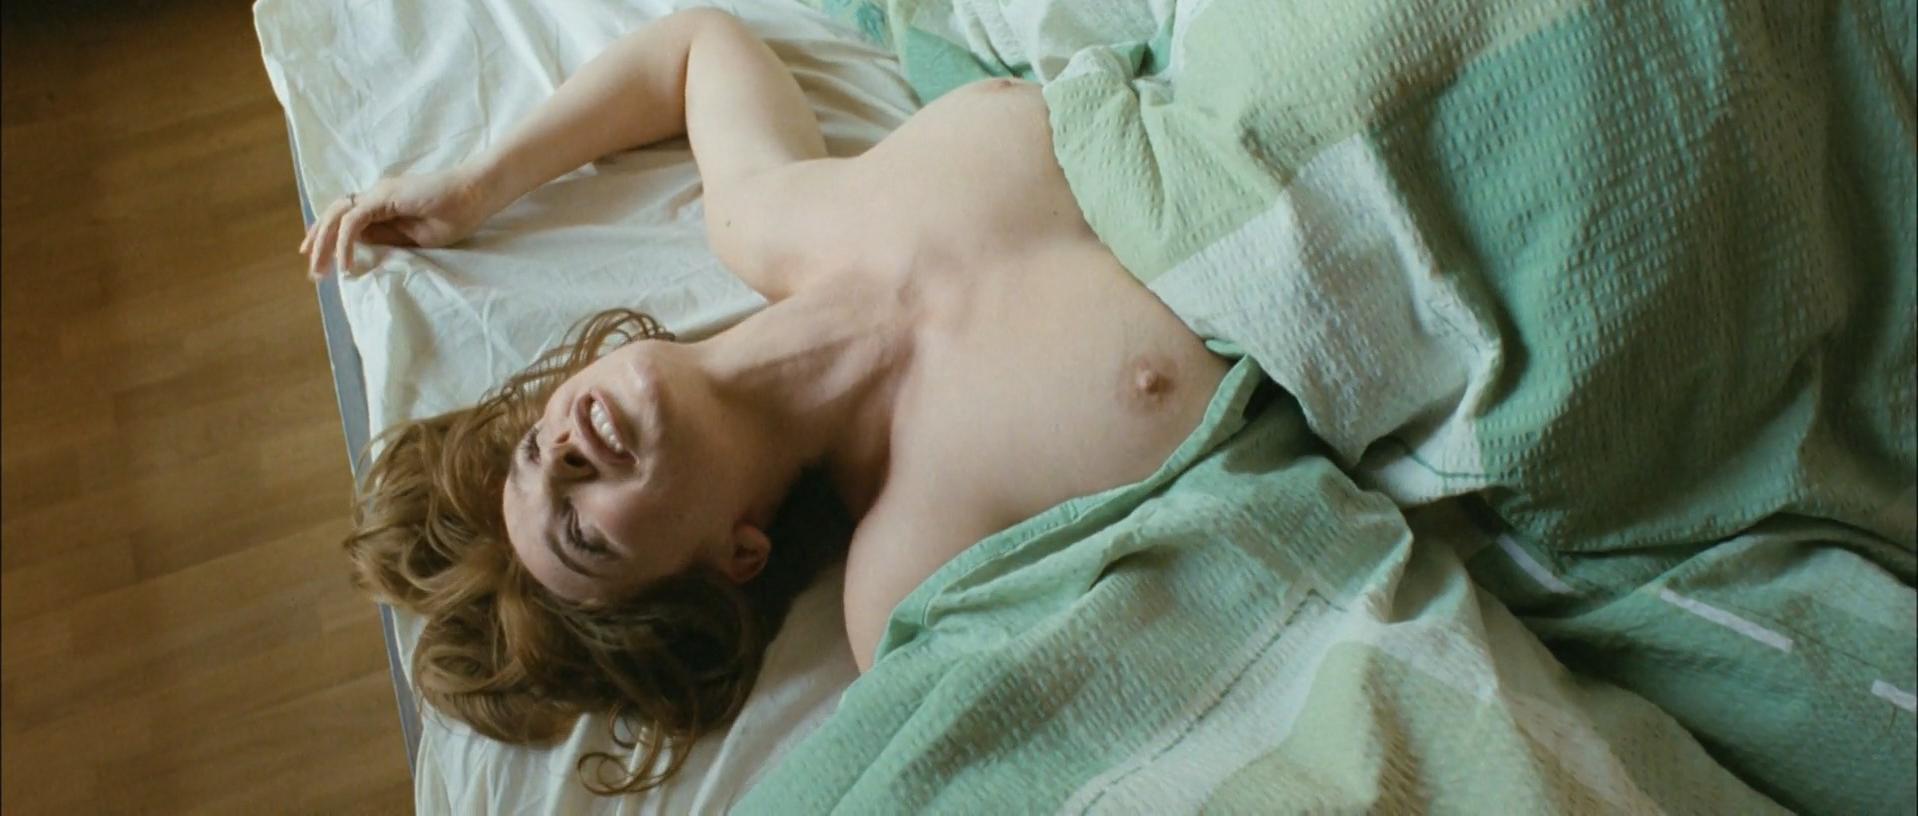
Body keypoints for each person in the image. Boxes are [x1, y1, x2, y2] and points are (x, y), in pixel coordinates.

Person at [307, 8, 1227, 793]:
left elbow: (692, 48)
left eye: (532, 453)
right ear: (734, 556)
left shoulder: (762, 219)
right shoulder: (903, 575)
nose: (564, 455)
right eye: (580, 528)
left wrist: (478, 186)